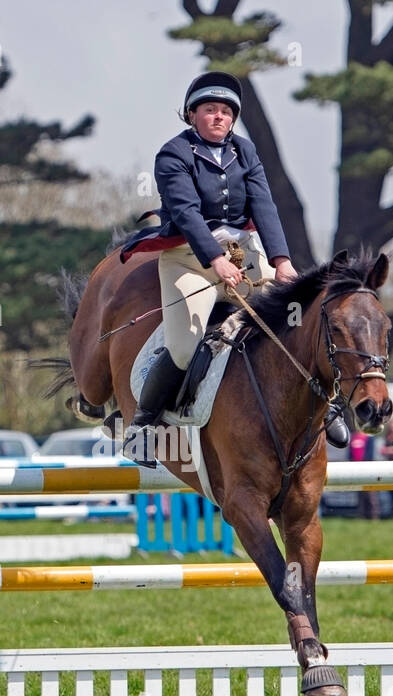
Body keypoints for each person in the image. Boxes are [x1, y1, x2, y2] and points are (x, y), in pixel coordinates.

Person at [119, 71, 350, 463]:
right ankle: (143, 425)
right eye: (210, 110)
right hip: (190, 259)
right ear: (192, 114)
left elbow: (263, 205)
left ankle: (324, 405)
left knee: (295, 319)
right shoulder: (172, 154)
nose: (219, 117)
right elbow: (187, 213)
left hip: (245, 254)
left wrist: (282, 262)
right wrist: (215, 260)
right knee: (184, 343)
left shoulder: (245, 151)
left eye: (226, 111)